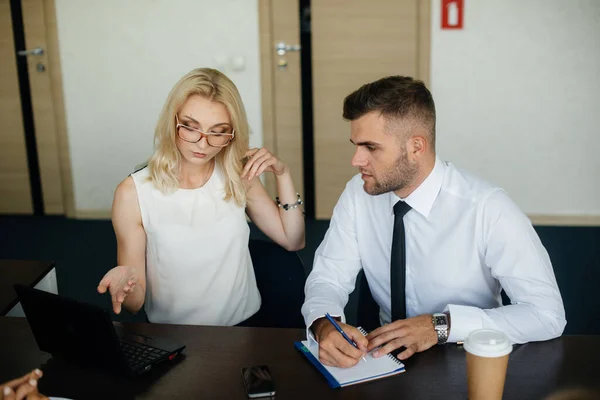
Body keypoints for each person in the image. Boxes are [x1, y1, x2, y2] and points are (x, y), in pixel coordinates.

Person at [301, 76, 566, 368]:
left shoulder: (488, 208)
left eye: (371, 148)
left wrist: (441, 326)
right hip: (383, 361)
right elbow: (328, 277)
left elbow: (547, 315)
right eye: (355, 145)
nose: (356, 160)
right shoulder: (358, 194)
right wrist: (324, 323)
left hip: (468, 357)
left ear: (416, 147)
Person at [97, 68, 305, 326]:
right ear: (172, 123)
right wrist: (126, 286)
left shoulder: (236, 174)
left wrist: (283, 174)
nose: (203, 144)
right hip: (176, 336)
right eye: (190, 127)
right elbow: (134, 304)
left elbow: (293, 240)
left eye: (218, 131)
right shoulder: (133, 193)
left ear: (232, 134)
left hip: (244, 327)